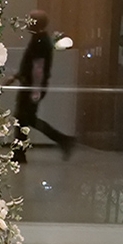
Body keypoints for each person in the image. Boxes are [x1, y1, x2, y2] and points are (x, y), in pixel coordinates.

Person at [7, 10, 75, 163]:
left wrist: (35, 89)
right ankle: (20, 153)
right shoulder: (40, 39)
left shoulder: (40, 41)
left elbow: (38, 68)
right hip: (32, 85)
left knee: (23, 118)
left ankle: (21, 153)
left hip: (32, 86)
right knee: (25, 118)